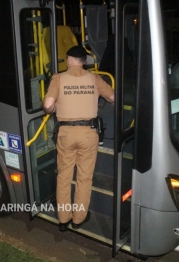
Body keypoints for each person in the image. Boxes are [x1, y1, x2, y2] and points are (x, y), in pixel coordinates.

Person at [43, 45, 114, 232]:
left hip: (66, 133)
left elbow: (48, 104)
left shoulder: (58, 78)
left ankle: (64, 219)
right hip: (89, 133)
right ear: (84, 62)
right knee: (84, 178)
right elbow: (113, 97)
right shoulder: (94, 78)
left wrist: (54, 108)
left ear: (69, 59)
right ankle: (79, 218)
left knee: (64, 176)